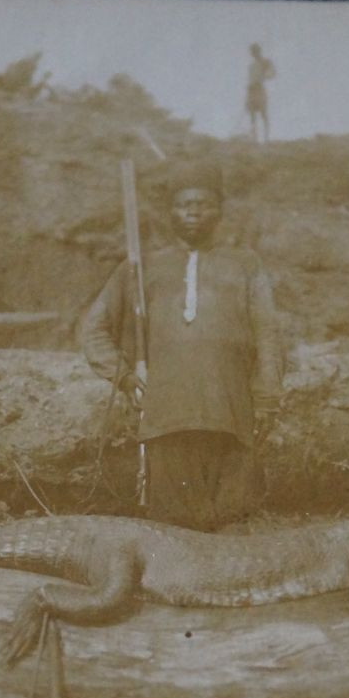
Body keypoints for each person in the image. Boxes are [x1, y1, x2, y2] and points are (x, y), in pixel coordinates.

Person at [82, 162, 283, 531]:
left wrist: (268, 396)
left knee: (232, 523)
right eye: (184, 204)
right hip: (166, 416)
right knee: (175, 528)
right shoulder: (141, 269)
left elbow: (268, 334)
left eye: (203, 203)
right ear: (170, 212)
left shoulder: (245, 265)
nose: (193, 212)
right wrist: (125, 378)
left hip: (232, 413)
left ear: (219, 210)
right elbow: (94, 330)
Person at [246, 43, 276, 143]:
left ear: (259, 51)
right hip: (251, 91)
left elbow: (273, 73)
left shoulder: (265, 62)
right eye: (252, 51)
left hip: (260, 89)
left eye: (255, 51)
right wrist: (247, 97)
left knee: (264, 114)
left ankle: (266, 138)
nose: (254, 53)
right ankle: (255, 139)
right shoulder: (251, 66)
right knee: (252, 116)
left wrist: (265, 76)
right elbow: (249, 80)